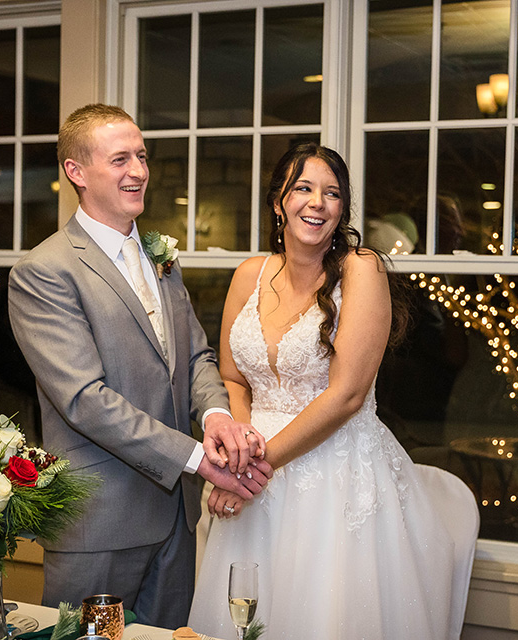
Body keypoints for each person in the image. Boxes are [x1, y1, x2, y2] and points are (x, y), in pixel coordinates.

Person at [8, 104, 272, 628]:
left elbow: (195, 354)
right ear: (76, 172)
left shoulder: (159, 258)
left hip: (175, 518)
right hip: (100, 522)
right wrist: (199, 458)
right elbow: (86, 400)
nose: (138, 171)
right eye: (120, 159)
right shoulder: (44, 271)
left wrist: (217, 415)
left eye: (143, 156)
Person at [188, 143, 455, 639]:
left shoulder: (362, 269)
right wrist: (238, 453)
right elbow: (232, 376)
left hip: (334, 478)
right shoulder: (251, 273)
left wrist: (254, 470)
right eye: (304, 188)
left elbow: (348, 395)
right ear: (278, 202)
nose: (318, 202)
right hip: (251, 476)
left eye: (332, 193)